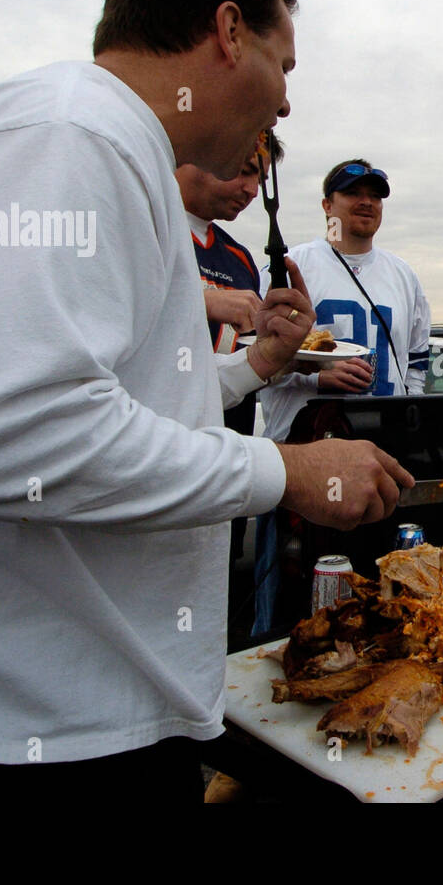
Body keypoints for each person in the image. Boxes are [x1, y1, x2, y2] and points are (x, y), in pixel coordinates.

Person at [0, 0, 411, 804]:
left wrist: (251, 367)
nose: (286, 104)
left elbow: (106, 402)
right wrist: (283, 468)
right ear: (227, 31)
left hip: (56, 721)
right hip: (15, 742)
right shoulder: (72, 132)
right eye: (283, 66)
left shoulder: (99, 142)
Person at [251, 159, 431, 637]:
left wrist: (406, 413)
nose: (366, 202)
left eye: (375, 194)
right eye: (353, 193)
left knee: (379, 592)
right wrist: (316, 380)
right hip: (307, 448)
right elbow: (256, 366)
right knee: (300, 597)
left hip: (380, 450)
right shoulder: (292, 267)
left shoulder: (403, 275)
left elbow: (416, 359)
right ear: (328, 205)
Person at [177, 136, 281, 570]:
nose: (252, 189)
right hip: (165, 455)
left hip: (228, 448)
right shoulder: (144, 229)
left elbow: (246, 350)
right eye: (243, 169)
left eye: (258, 176)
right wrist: (198, 298)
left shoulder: (239, 255)